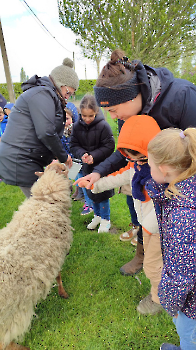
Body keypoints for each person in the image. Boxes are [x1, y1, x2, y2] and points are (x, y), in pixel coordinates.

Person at [74, 49, 196, 290]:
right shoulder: (126, 114)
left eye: (112, 110)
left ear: (131, 97)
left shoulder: (182, 96)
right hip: (146, 184)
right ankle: (142, 255)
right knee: (143, 218)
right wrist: (98, 172)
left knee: (171, 238)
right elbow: (125, 153)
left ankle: (167, 282)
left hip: (180, 189)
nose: (112, 117)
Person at [79, 114, 163, 314]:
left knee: (153, 265)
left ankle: (158, 300)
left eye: (135, 156)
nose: (131, 160)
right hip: (147, 227)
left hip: (156, 229)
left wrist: (149, 228)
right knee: (159, 262)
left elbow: (163, 207)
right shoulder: (138, 166)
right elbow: (120, 176)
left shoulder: (161, 174)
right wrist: (95, 184)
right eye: (128, 156)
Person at [0, 58, 79, 198]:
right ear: (60, 84)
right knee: (42, 206)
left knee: (42, 203)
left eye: (71, 95)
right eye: (68, 92)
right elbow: (46, 132)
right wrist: (63, 156)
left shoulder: (46, 94)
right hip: (21, 158)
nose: (67, 98)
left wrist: (53, 156)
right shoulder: (43, 94)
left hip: (25, 157)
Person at [146, 128, 196, 350]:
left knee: (189, 336)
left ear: (164, 168)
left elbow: (180, 276)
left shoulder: (182, 216)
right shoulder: (187, 185)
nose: (148, 170)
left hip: (192, 304)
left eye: (149, 165)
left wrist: (169, 303)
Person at [70, 94, 115, 233]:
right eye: (84, 116)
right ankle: (97, 216)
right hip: (87, 167)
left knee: (102, 193)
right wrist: (82, 154)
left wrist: (93, 156)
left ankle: (105, 220)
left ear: (96, 112)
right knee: (90, 192)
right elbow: (73, 145)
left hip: (102, 166)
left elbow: (109, 146)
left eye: (91, 116)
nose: (87, 119)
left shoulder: (103, 126)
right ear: (80, 113)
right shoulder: (76, 126)